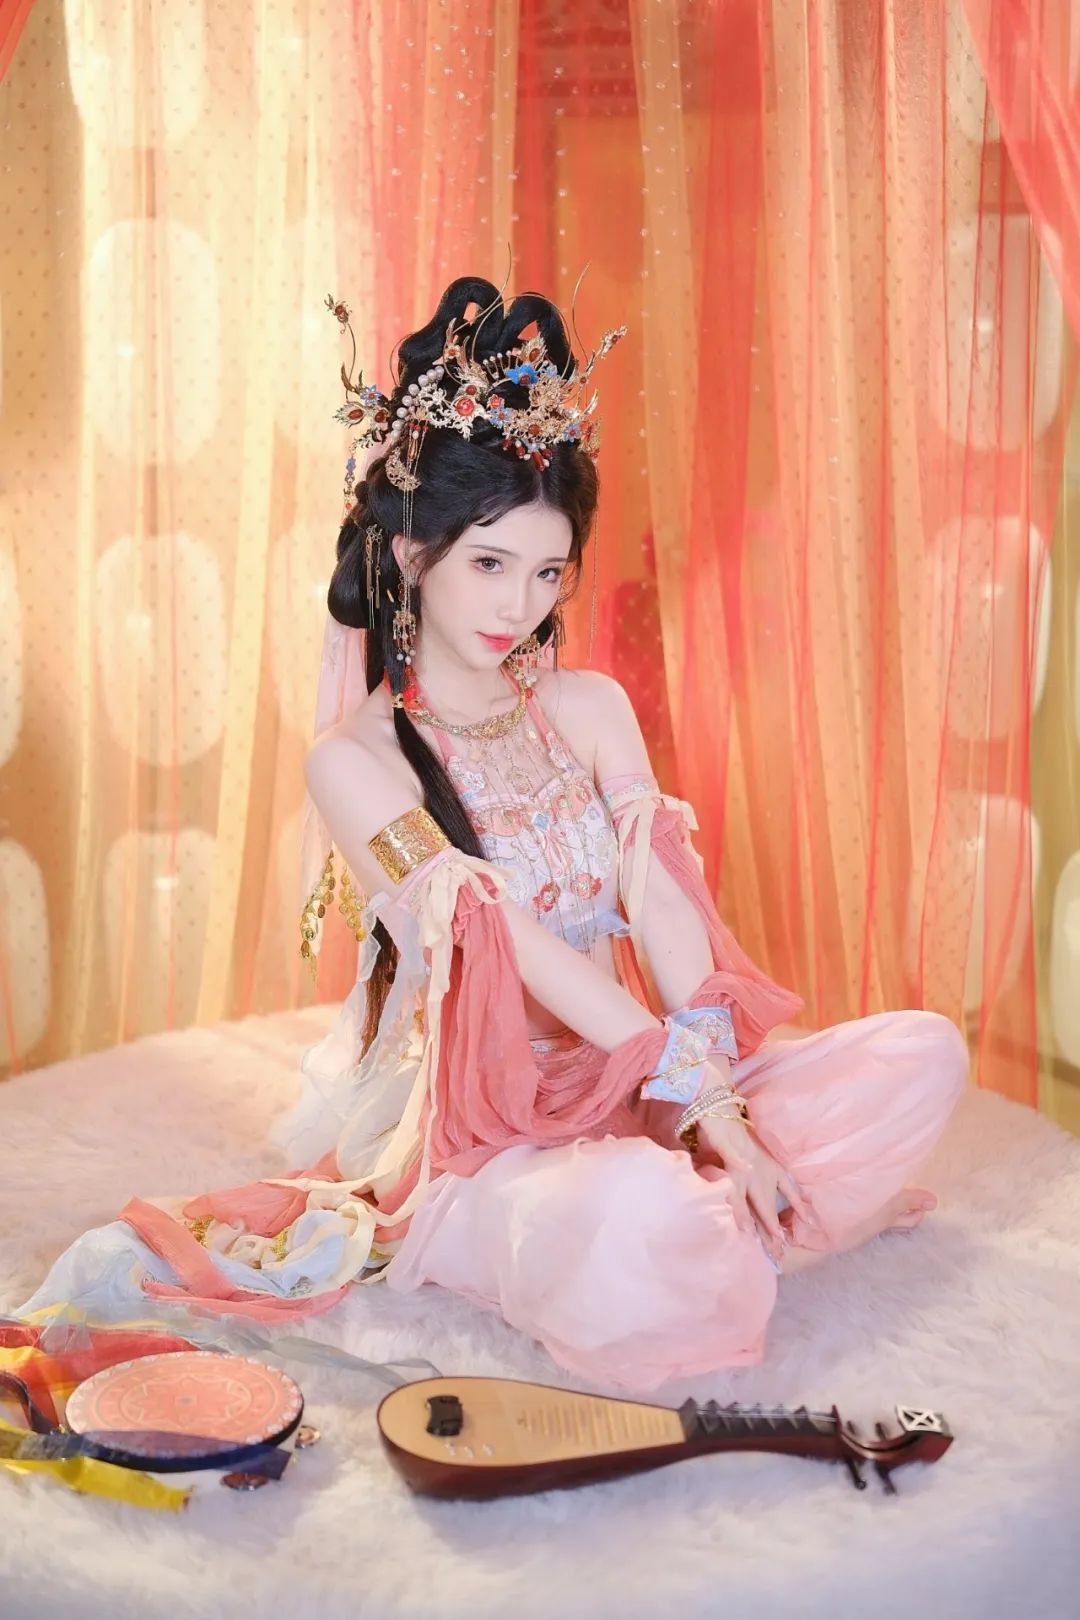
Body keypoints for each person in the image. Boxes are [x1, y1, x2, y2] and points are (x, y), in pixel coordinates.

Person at [19, 277, 969, 1394]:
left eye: (547, 570)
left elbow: (661, 900)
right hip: (495, 1129)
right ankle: (747, 1224)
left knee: (921, 1053)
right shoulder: (355, 761)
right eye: (489, 563)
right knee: (646, 1219)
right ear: (409, 553)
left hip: (649, 1073)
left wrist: (711, 1091)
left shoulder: (591, 706)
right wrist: (717, 1116)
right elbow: (508, 942)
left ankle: (737, 1211)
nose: (519, 605)